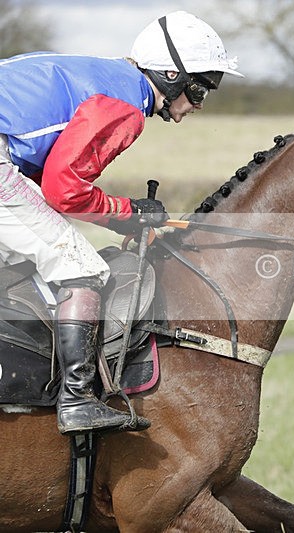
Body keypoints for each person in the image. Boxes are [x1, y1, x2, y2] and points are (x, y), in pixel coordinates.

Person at [0, 11, 243, 435]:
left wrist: (122, 217)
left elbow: (44, 177)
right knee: (80, 264)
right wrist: (128, 214)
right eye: (199, 87)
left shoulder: (101, 76)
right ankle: (77, 400)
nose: (199, 103)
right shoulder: (125, 106)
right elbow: (64, 192)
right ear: (170, 74)